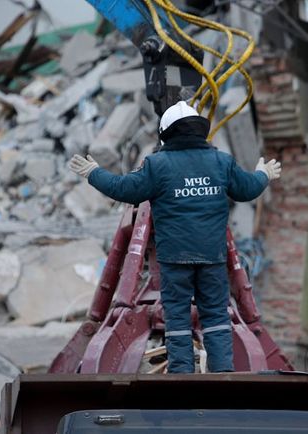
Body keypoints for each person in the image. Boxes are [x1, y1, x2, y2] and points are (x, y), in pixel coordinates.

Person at [68, 101, 281, 373]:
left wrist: (93, 173)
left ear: (165, 134)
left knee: (178, 318)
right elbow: (247, 189)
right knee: (216, 315)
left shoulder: (157, 165)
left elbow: (124, 190)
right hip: (212, 257)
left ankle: (182, 378)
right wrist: (264, 174)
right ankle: (224, 376)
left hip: (174, 259)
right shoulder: (221, 161)